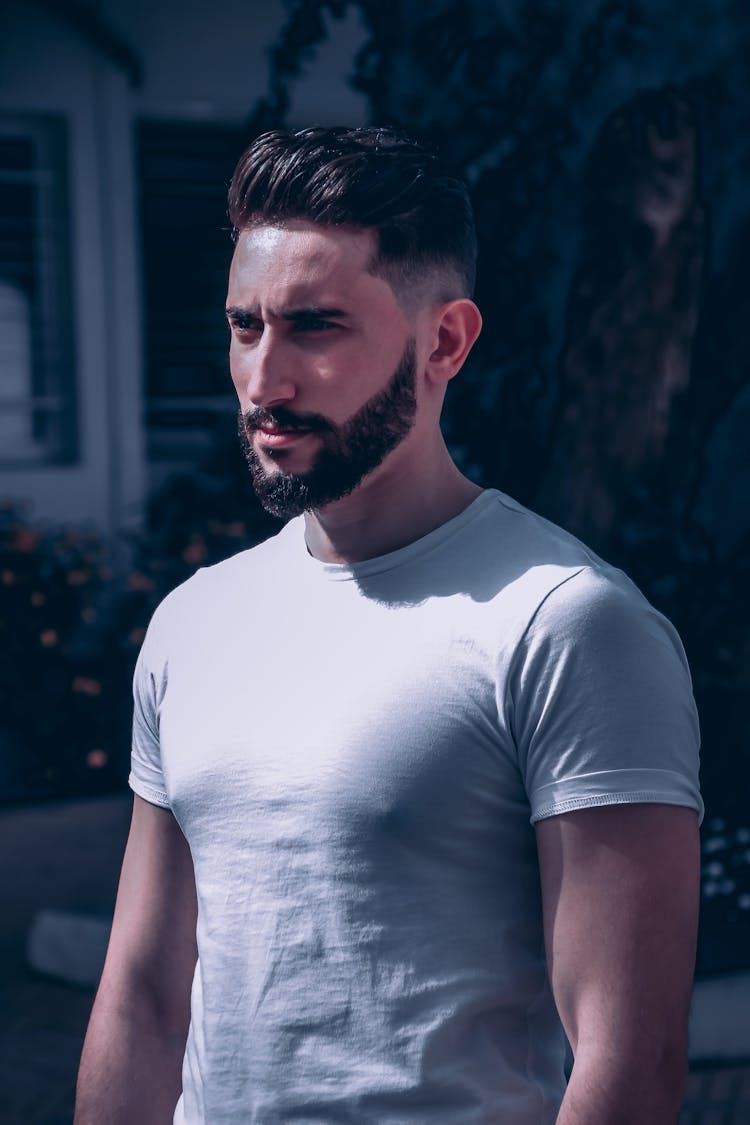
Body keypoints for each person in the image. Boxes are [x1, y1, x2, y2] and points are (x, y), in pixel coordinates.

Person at [75, 126, 703, 1124]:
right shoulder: (193, 622)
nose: (263, 381)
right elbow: (144, 998)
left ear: (444, 342)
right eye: (246, 325)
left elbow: (629, 1061)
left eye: (316, 327)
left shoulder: (566, 625)